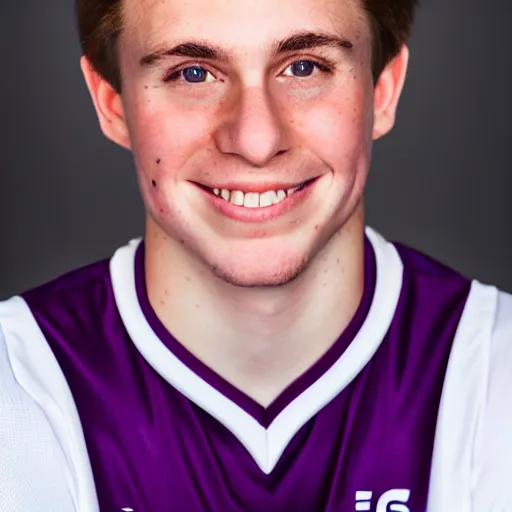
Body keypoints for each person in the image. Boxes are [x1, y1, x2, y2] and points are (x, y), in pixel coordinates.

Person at [0, 0, 511, 510]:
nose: (256, 140)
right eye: (193, 73)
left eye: (304, 67)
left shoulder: (493, 371)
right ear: (112, 101)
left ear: (383, 88)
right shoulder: (19, 380)